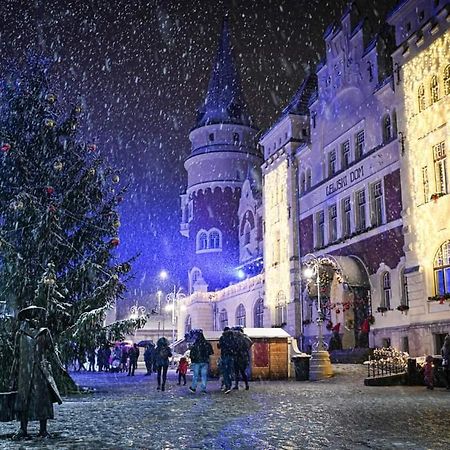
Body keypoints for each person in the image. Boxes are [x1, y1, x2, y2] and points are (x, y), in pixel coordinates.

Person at [9, 306, 63, 440]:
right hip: (24, 372)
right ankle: (23, 429)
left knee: (42, 400)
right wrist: (13, 373)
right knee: (23, 400)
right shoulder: (20, 334)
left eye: (37, 316)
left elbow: (52, 351)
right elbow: (16, 355)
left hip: (40, 371)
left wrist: (60, 366)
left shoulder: (44, 332)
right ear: (26, 319)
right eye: (32, 316)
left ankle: (43, 429)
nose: (36, 319)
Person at [217, 327, 235, 394]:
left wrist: (219, 345)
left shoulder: (223, 337)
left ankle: (227, 386)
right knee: (229, 371)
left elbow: (219, 346)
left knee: (225, 372)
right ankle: (229, 385)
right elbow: (235, 346)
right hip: (232, 356)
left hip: (225, 356)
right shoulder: (232, 337)